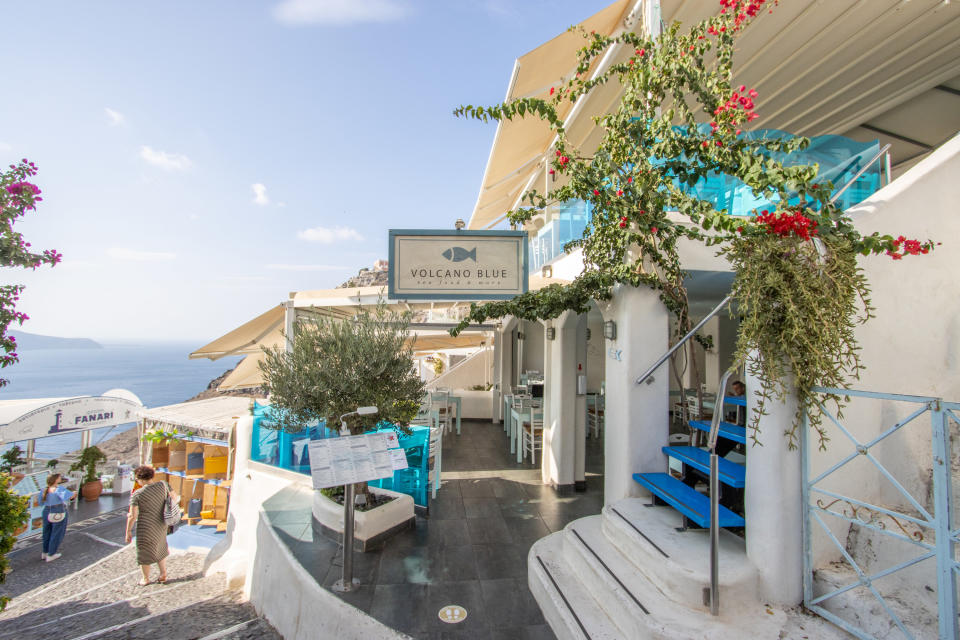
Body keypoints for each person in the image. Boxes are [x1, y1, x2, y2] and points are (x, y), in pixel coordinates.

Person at [125, 465, 177, 585]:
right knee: (160, 547)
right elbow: (174, 497)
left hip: (145, 526)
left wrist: (128, 531)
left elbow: (132, 516)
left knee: (144, 552)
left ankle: (145, 578)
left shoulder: (137, 494)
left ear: (140, 479)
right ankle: (163, 573)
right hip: (161, 523)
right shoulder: (163, 485)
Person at [40, 473, 75, 562]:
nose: (61, 478)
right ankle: (51, 554)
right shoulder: (58, 489)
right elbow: (69, 497)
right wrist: (74, 493)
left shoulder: (44, 490)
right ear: (56, 480)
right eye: (59, 477)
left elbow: (40, 503)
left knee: (46, 533)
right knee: (57, 533)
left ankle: (45, 552)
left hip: (46, 511)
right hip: (58, 511)